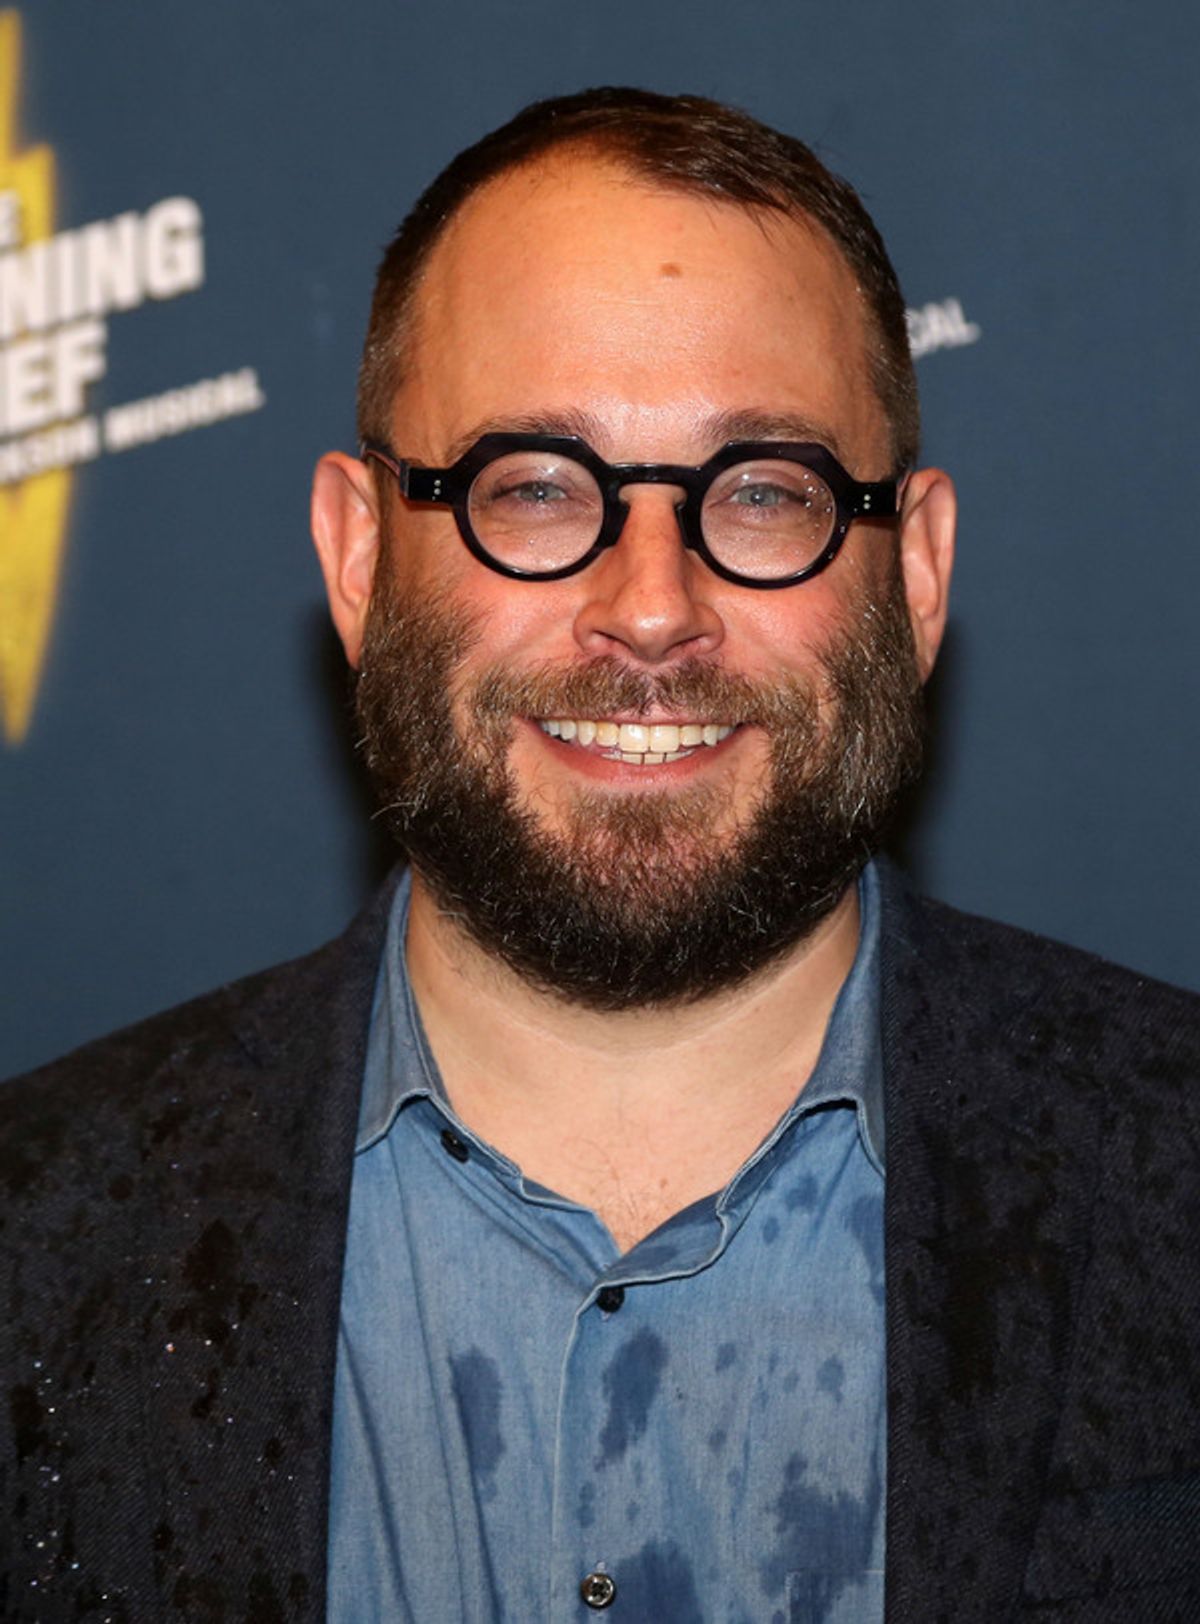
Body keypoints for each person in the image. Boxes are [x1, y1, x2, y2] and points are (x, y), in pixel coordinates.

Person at [3, 87, 1197, 1624]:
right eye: (537, 487)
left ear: (916, 573)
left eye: (765, 493)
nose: (650, 606)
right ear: (360, 557)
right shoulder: (37, 1247)